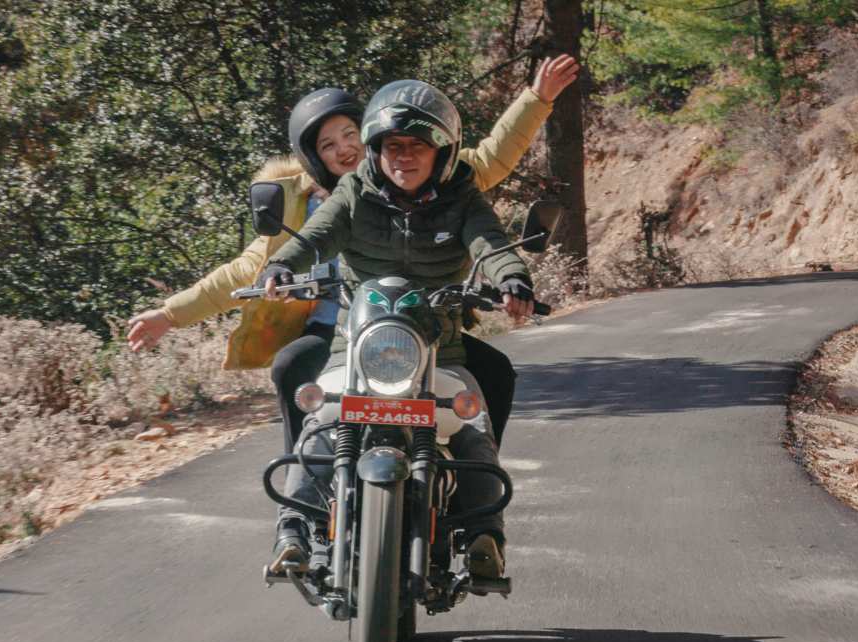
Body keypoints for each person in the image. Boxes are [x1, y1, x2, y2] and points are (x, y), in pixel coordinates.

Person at [127, 57, 579, 455]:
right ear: (313, 157)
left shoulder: (442, 177)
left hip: (427, 325)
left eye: (349, 134)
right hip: (342, 328)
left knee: (495, 372)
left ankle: (479, 476)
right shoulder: (310, 202)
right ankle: (306, 477)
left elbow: (491, 178)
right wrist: (171, 313)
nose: (344, 148)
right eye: (328, 144)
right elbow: (253, 268)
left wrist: (536, 99)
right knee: (291, 366)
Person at [260, 79, 533, 581]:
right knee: (320, 428)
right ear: (376, 149)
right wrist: (280, 265)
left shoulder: (463, 197)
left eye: (417, 146)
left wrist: (512, 278)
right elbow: (317, 237)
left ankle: (484, 537)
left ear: (442, 152)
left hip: (439, 349)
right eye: (392, 146)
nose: (403, 157)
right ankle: (292, 532)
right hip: (355, 346)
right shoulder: (354, 192)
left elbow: (490, 243)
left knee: (471, 429)